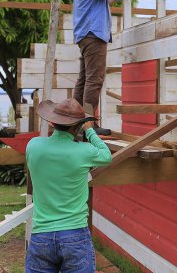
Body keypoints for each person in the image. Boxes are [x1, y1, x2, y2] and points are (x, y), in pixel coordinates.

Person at [25, 98, 112, 273]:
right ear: (77, 127)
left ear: (52, 122)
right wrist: (90, 132)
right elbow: (106, 155)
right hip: (74, 234)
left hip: (41, 234)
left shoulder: (33, 146)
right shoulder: (84, 151)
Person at [72, 0, 143, 131]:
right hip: (93, 35)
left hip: (86, 35)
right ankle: (88, 124)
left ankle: (75, 122)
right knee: (94, 79)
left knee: (84, 80)